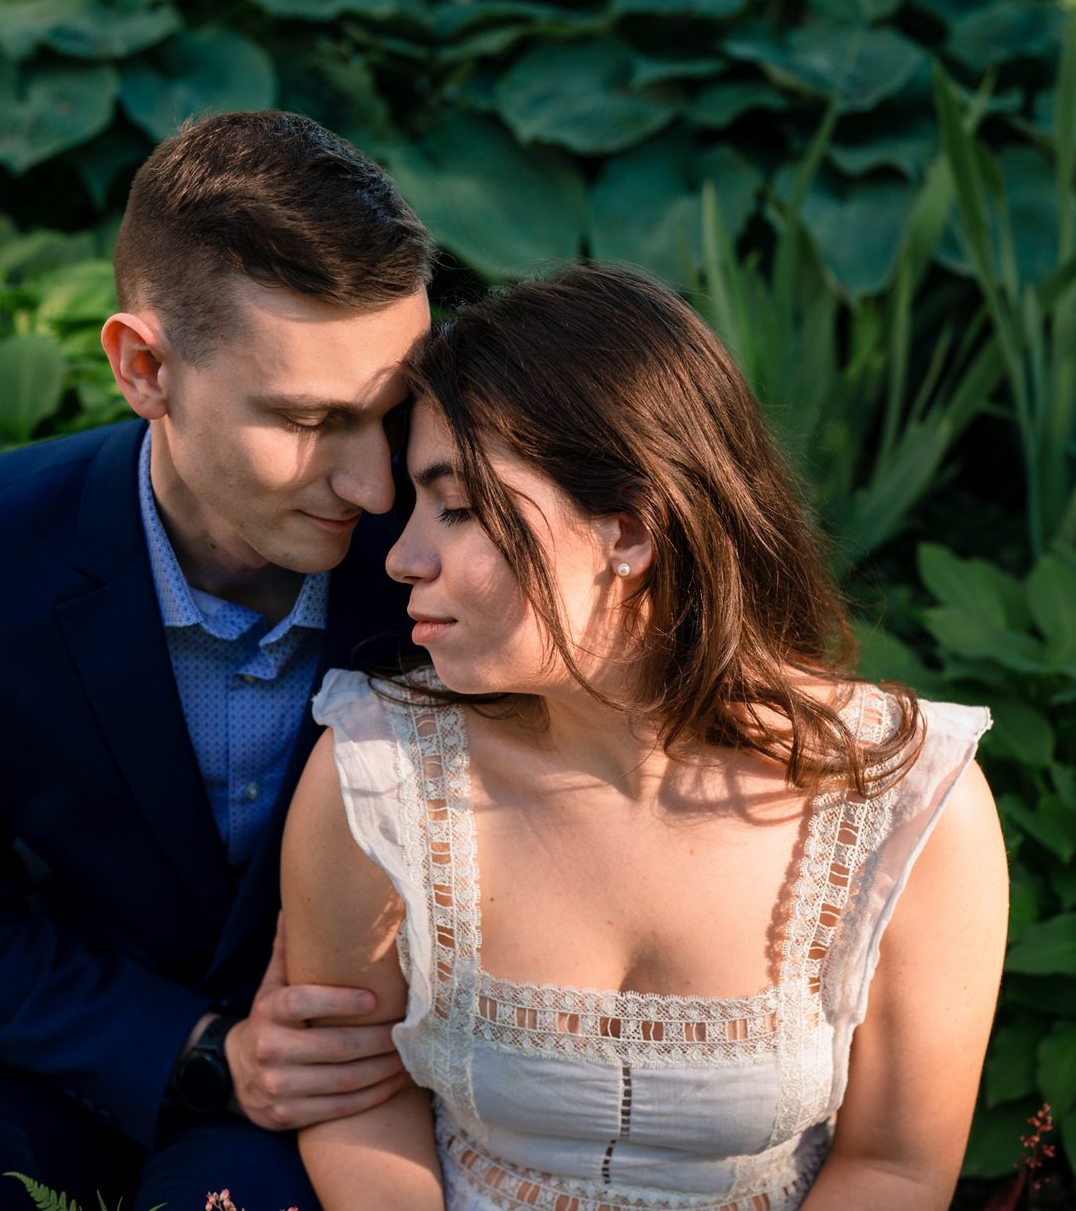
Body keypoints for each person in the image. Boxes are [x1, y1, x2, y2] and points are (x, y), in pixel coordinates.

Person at [0, 111, 433, 1211]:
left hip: (345, 1097)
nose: (376, 487)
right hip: (20, 1047)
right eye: (309, 420)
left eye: (389, 414)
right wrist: (199, 1046)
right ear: (143, 366)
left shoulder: (445, 564)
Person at [281, 264, 1011, 1210]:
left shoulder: (906, 802)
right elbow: (353, 1097)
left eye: (458, 508)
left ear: (629, 531)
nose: (401, 556)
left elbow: (896, 1164)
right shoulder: (377, 774)